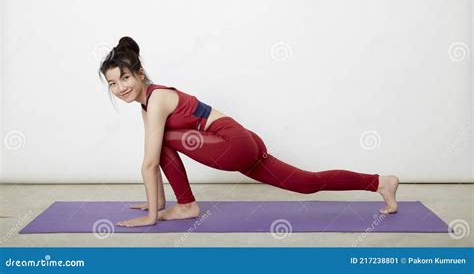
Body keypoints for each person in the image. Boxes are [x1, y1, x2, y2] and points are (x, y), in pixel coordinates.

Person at [98, 36, 399, 228]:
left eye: (125, 77)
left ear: (139, 73)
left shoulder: (158, 98)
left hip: (233, 144)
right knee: (307, 182)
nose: (120, 87)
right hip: (242, 141)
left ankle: (187, 205)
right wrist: (158, 203)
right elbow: (156, 158)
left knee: (160, 142)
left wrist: (151, 216)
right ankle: (380, 182)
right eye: (112, 83)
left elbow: (150, 162)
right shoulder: (147, 107)